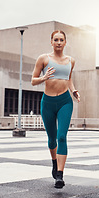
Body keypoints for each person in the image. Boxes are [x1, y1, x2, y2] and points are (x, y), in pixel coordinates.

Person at [31, 30, 80, 189]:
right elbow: (33, 80)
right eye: (56, 40)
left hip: (65, 101)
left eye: (61, 40)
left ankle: (60, 174)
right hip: (48, 102)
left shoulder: (71, 61)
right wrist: (44, 78)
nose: (59, 42)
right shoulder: (43, 59)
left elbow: (69, 78)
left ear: (65, 42)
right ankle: (54, 162)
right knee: (52, 139)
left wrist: (73, 91)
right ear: (51, 42)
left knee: (62, 137)